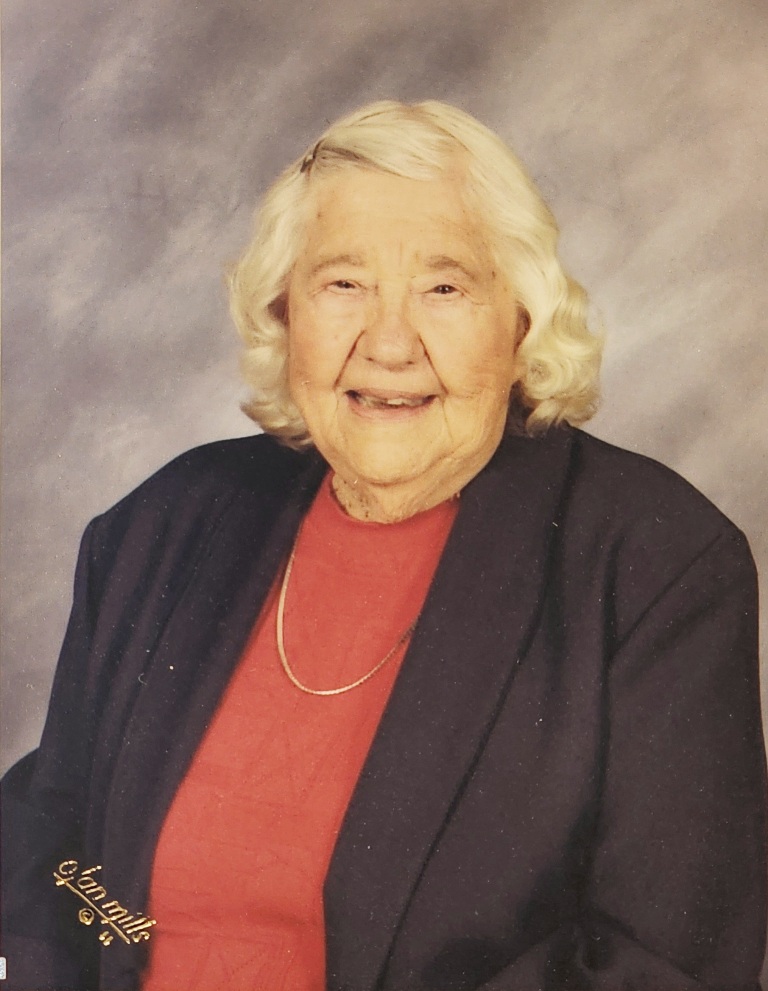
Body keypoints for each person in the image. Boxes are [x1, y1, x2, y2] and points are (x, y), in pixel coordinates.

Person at [1, 100, 765, 991]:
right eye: (343, 284)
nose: (390, 342)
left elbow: (665, 964)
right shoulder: (164, 524)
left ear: (521, 320)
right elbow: (48, 841)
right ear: (285, 311)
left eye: (444, 288)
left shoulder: (655, 565)